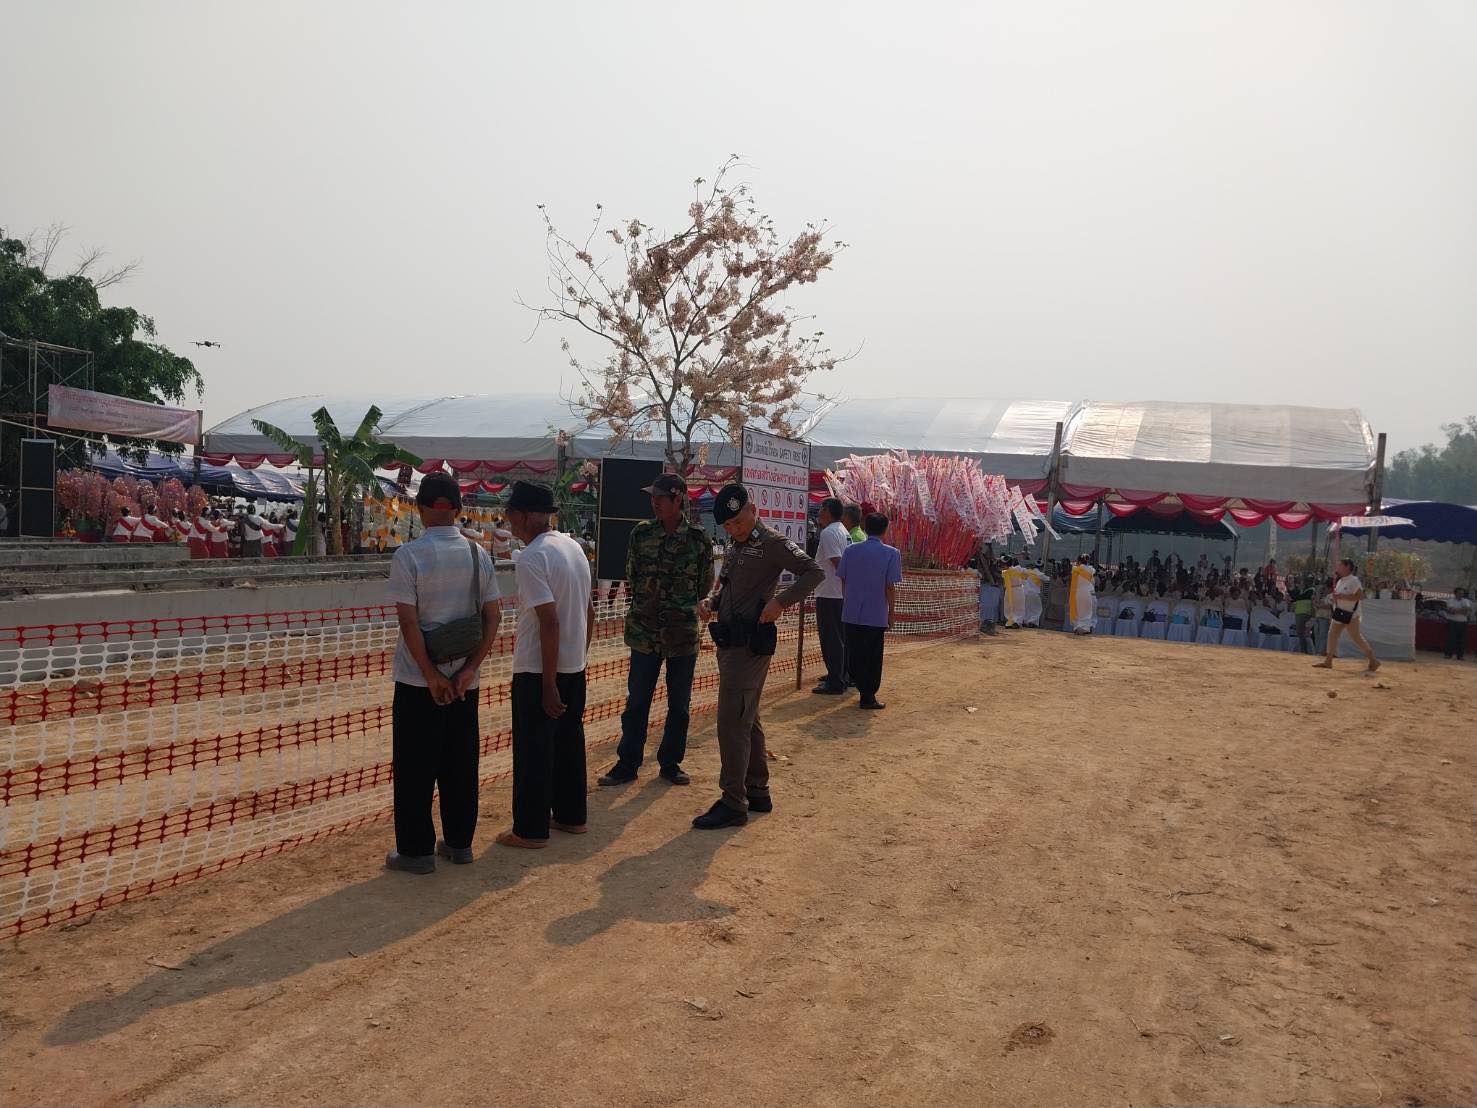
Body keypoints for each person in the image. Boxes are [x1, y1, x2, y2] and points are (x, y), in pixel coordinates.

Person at [382, 471, 502, 874]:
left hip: (418, 681)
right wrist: (469, 670)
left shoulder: (408, 556)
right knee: (460, 764)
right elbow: (493, 616)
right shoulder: (477, 554)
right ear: (459, 509)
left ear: (420, 508)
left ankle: (416, 851)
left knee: (415, 767)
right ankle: (459, 842)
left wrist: (431, 676)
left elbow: (409, 622)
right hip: (465, 680)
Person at [693, 484, 822, 829]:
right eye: (728, 526)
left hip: (750, 643)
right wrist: (711, 602)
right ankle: (757, 790)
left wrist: (780, 602)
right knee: (746, 717)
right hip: (730, 642)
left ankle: (733, 801)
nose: (734, 529)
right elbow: (726, 584)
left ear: (753, 510)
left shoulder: (772, 543)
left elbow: (814, 572)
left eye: (738, 521)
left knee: (731, 723)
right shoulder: (736, 546)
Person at [598, 474, 712, 788]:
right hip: (645, 633)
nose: (654, 503)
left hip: (681, 635)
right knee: (637, 703)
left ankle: (671, 763)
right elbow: (632, 574)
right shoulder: (641, 533)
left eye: (660, 497)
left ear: (678, 500)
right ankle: (628, 763)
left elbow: (705, 584)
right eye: (653, 497)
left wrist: (680, 605)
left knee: (679, 705)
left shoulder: (698, 539)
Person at [500, 481, 594, 849]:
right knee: (569, 743)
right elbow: (589, 610)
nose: (508, 520)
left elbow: (549, 621)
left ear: (524, 516)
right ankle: (572, 816)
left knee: (533, 749)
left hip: (538, 669)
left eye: (510, 514)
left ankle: (529, 829)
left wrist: (549, 682)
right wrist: (577, 660)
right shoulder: (573, 547)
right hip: (572, 665)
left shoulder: (532, 557)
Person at [837, 512, 901, 710]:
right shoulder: (891, 553)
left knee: (854, 652)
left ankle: (859, 685)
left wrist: (849, 601)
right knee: (872, 655)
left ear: (865, 526)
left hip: (852, 611)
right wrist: (891, 613)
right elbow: (889, 586)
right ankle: (868, 695)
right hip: (876, 613)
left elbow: (843, 579)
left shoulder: (850, 551)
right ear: (885, 530)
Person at [811, 497, 850, 695]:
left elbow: (838, 563)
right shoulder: (842, 530)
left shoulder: (828, 533)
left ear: (828, 511)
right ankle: (840, 674)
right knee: (840, 637)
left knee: (831, 638)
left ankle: (836, 681)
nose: (819, 512)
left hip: (829, 593)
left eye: (821, 508)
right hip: (838, 593)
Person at [1315, 558, 1380, 673]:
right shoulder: (1340, 581)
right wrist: (1335, 597)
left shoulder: (1354, 580)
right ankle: (1328, 661)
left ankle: (1373, 660)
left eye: (1340, 565)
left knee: (1356, 638)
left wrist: (1341, 597)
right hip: (1339, 613)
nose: (1337, 567)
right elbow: (1339, 595)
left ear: (1347, 567)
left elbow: (1360, 596)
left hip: (1351, 615)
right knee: (1332, 635)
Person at [1069, 553, 1096, 634]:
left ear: (1079, 561)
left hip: (1078, 593)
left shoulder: (1075, 569)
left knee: (1078, 610)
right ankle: (1084, 628)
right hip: (1088, 593)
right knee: (1087, 612)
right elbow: (1093, 581)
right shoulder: (1091, 570)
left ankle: (1078, 627)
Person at [1444, 587, 1472, 660]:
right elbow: (1451, 611)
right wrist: (1463, 610)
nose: (1461, 594)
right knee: (1451, 639)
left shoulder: (1466, 601)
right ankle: (1448, 654)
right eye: (1459, 593)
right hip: (1452, 621)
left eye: (1462, 593)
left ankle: (1460, 656)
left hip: (1463, 622)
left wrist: (1457, 610)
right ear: (1455, 593)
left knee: (1462, 640)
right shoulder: (1450, 600)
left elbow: (1468, 611)